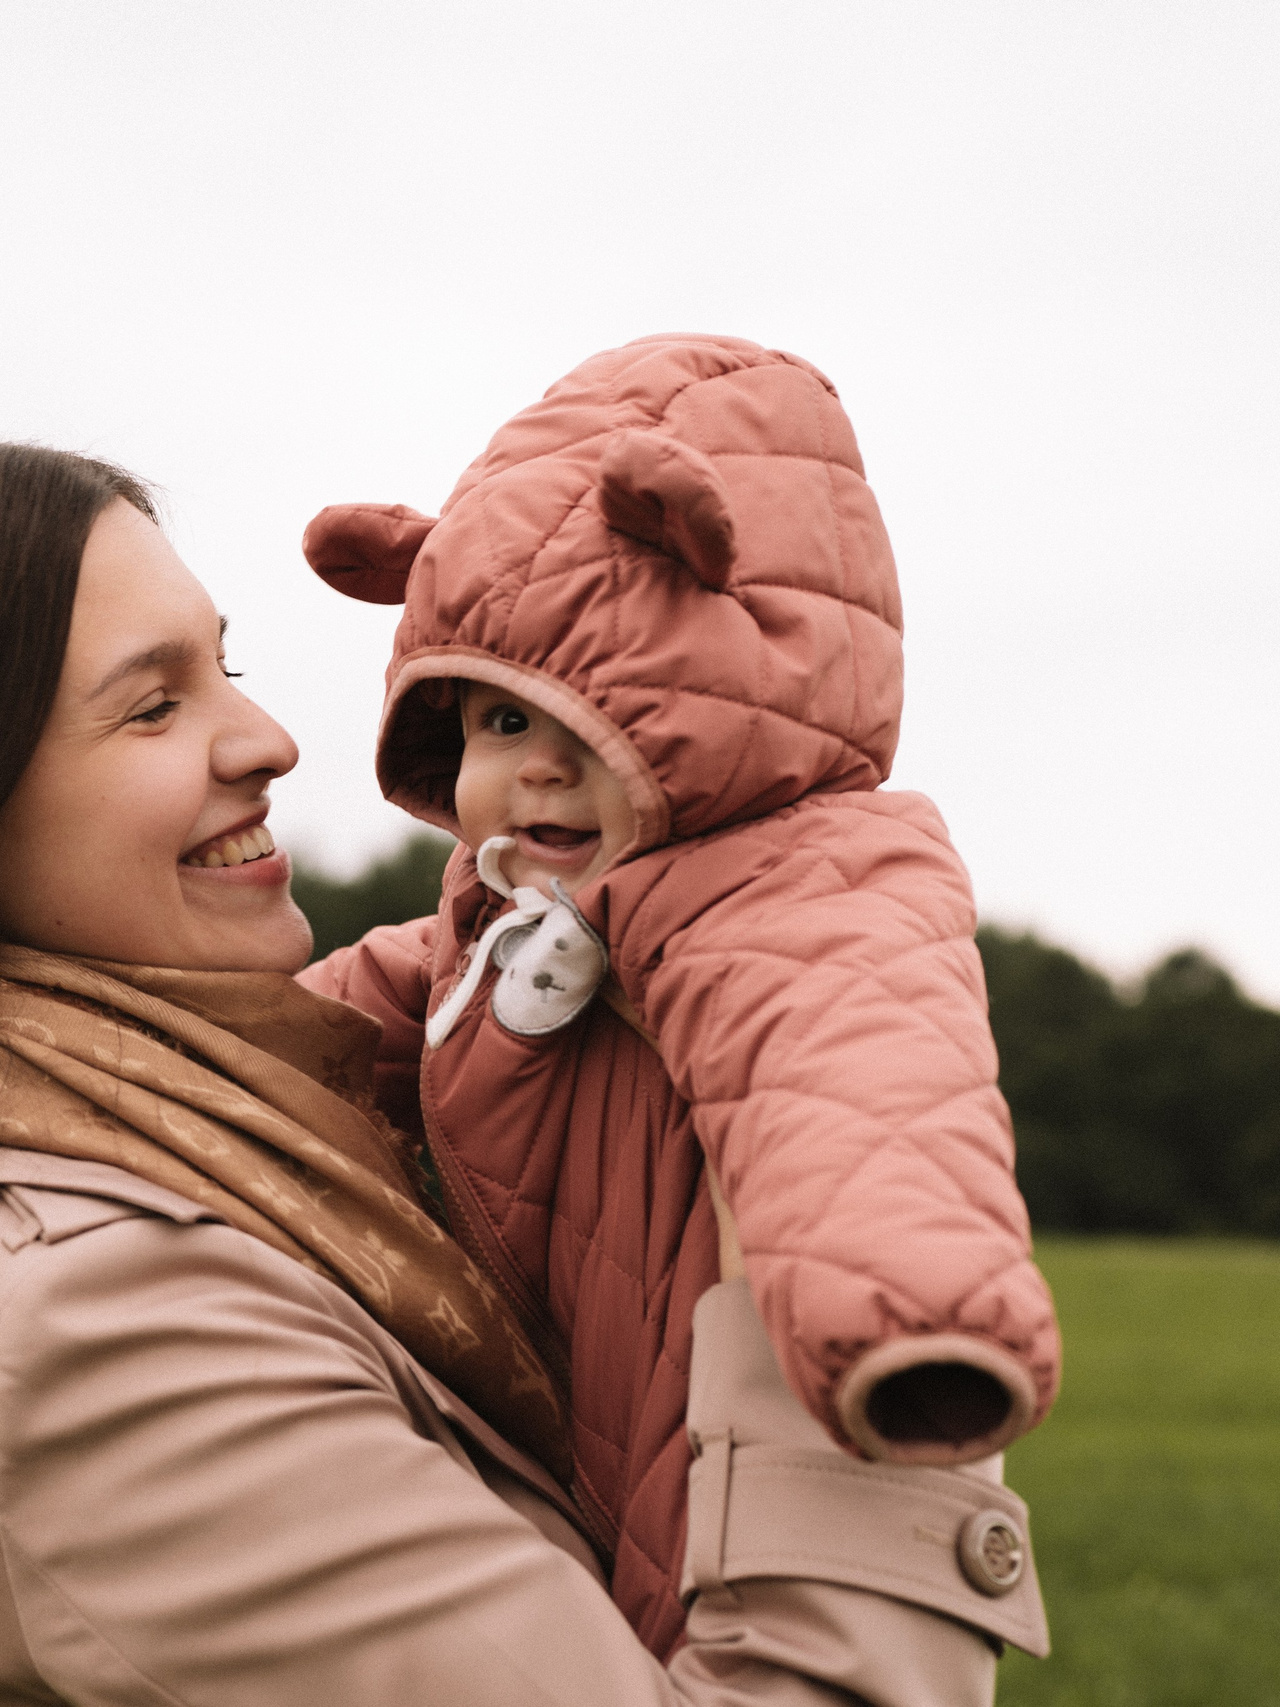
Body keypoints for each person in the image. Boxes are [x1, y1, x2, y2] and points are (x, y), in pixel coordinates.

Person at [0, 441, 1045, 1707]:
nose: (272, 737)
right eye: (149, 707)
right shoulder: (106, 1330)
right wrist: (833, 1314)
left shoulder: (233, 1137)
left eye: (226, 662)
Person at [298, 334, 1062, 1653]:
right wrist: (130, 1037)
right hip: (570, 1438)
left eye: (576, 726)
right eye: (493, 724)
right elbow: (321, 1019)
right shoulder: (501, 922)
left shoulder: (808, 895)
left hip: (726, 1469)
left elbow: (866, 1101)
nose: (527, 775)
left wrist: (909, 1323)